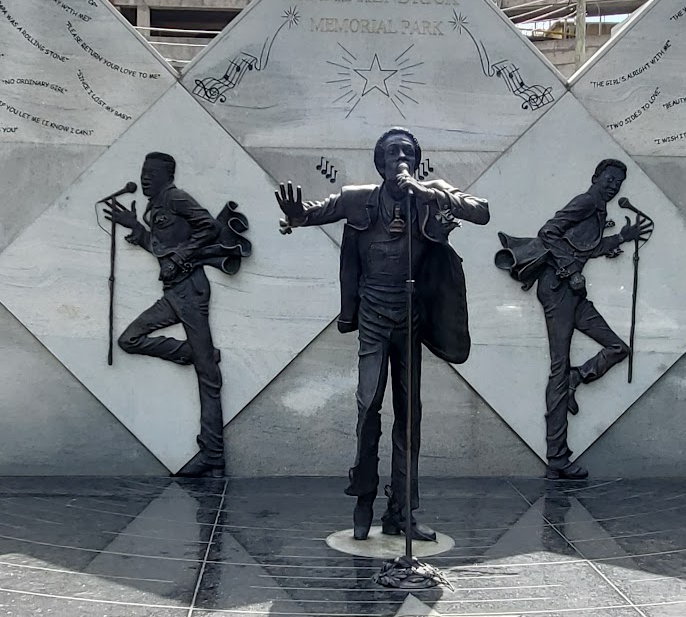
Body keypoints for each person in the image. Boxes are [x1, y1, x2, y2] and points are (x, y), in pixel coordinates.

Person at [275, 127, 489, 540]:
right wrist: (297, 215)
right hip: (373, 315)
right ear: (380, 162)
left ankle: (401, 511)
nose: (400, 157)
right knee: (368, 406)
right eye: (392, 152)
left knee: (410, 418)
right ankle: (363, 500)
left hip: (411, 317)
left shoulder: (429, 193)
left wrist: (430, 194)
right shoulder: (359, 198)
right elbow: (314, 212)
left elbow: (480, 211)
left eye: (407, 152)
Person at [496, 160, 644, 479]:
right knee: (558, 368)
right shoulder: (587, 201)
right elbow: (548, 232)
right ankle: (557, 458)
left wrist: (622, 237)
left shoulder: (599, 209)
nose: (612, 186)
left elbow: (585, 248)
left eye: (617, 182)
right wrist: (573, 271)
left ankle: (580, 377)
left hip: (573, 293)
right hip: (557, 287)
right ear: (595, 178)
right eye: (608, 179)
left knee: (618, 348)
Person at [105, 152, 249, 479]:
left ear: (166, 176)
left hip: (190, 290)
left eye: (150, 173)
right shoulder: (155, 207)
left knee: (208, 379)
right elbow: (162, 248)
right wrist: (136, 228)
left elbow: (209, 227)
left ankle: (213, 455)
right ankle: (197, 354)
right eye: (142, 172)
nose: (144, 178)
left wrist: (182, 256)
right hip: (174, 293)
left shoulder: (177, 198)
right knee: (129, 339)